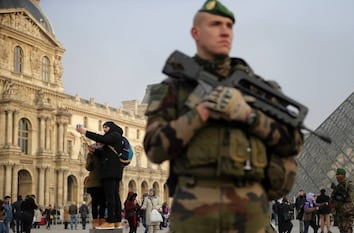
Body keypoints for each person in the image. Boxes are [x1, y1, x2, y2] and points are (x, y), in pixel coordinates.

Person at [143, 1, 303, 232]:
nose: (225, 31)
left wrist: (248, 115)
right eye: (216, 24)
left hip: (251, 216)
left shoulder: (259, 89)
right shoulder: (174, 90)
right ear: (195, 33)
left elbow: (293, 142)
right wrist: (201, 113)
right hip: (193, 217)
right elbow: (155, 149)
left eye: (229, 25)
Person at [77, 121, 124, 229]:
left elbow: (102, 139)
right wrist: (94, 151)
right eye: (103, 128)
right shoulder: (115, 138)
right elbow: (106, 153)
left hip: (110, 171)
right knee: (115, 196)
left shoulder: (115, 135)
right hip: (114, 171)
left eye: (106, 127)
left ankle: (110, 221)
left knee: (110, 196)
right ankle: (117, 220)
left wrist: (85, 132)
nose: (104, 130)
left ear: (111, 127)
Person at [85, 142, 106, 228]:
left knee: (101, 203)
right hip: (95, 183)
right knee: (97, 203)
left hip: (101, 182)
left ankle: (99, 220)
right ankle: (97, 221)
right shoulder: (93, 155)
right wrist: (90, 155)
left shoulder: (104, 154)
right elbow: (88, 167)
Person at [331, 168, 354, 233]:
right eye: (336, 175)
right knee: (341, 229)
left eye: (338, 174)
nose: (336, 176)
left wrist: (340, 196)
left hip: (347, 211)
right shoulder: (338, 186)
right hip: (339, 212)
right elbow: (332, 199)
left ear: (343, 175)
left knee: (347, 229)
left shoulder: (349, 185)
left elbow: (351, 198)